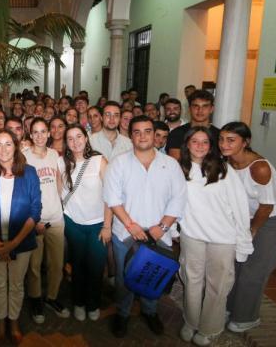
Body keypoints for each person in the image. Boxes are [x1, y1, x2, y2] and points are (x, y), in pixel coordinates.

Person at [103, 115, 187, 338]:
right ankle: (122, 313)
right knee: (124, 278)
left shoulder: (170, 164)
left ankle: (150, 311)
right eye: (137, 132)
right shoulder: (119, 163)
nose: (142, 136)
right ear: (130, 136)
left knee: (153, 275)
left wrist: (163, 226)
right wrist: (131, 225)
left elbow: (178, 198)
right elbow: (112, 199)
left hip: (160, 235)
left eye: (147, 131)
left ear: (155, 134)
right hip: (126, 234)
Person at [178, 126, 253, 346]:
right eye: (195, 141)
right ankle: (191, 321)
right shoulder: (178, 169)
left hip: (222, 238)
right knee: (191, 280)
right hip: (192, 235)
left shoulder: (224, 171)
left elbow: (240, 208)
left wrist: (243, 242)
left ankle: (210, 327)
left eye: (205, 142)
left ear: (211, 146)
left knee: (217, 285)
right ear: (187, 144)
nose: (200, 146)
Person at [220, 122, 276, 333]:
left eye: (231, 140)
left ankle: (245, 317)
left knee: (256, 268)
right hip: (249, 215)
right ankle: (229, 307)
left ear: (245, 142)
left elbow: (267, 206)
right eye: (222, 139)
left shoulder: (259, 168)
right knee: (239, 263)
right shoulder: (229, 162)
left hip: (272, 217)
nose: (224, 144)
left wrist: (251, 232)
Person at [0, 129, 41, 344]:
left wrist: (13, 243)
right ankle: (1, 320)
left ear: (16, 146)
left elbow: (35, 210)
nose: (3, 149)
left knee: (16, 285)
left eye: (8, 144)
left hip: (21, 242)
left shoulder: (29, 173)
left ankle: (14, 320)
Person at [58, 123, 112, 323]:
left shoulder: (99, 161)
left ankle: (93, 303)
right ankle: (79, 303)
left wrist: (107, 226)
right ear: (66, 142)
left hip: (98, 224)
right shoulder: (61, 163)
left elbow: (110, 196)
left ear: (86, 137)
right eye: (70, 138)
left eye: (79, 136)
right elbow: (58, 194)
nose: (75, 142)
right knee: (78, 266)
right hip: (73, 223)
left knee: (96, 267)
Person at [23, 118, 69, 324]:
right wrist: (32, 220)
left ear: (49, 134)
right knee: (34, 265)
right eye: (36, 132)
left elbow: (60, 182)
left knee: (56, 264)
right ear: (30, 135)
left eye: (43, 131)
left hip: (56, 219)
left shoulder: (54, 155)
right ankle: (35, 300)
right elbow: (22, 193)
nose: (40, 135)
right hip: (35, 221)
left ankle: (51, 297)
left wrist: (60, 206)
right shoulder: (23, 158)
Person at [166, 90, 220, 160]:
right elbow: (175, 165)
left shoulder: (219, 135)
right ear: (189, 108)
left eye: (205, 106)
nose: (200, 110)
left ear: (212, 109)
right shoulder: (176, 134)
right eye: (195, 106)